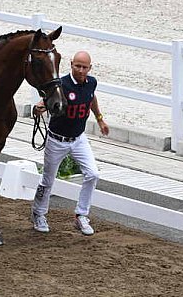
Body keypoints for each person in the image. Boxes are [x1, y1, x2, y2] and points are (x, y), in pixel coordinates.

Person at [31, 50, 109, 235]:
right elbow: (46, 99)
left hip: (79, 139)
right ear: (71, 64)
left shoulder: (92, 83)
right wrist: (39, 107)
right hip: (57, 140)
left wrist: (100, 119)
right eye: (78, 66)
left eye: (84, 67)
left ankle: (81, 215)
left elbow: (92, 98)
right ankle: (38, 213)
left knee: (92, 174)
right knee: (48, 181)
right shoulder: (63, 84)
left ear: (90, 68)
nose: (81, 70)